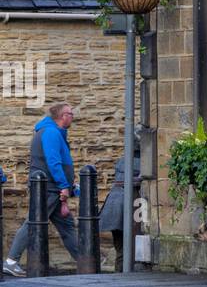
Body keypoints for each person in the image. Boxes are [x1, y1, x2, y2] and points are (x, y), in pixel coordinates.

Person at [4, 102, 80, 277]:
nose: (72, 116)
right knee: (33, 222)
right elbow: (53, 162)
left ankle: (85, 261)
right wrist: (63, 186)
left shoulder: (54, 132)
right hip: (49, 189)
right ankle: (10, 262)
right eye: (70, 113)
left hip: (52, 188)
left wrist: (68, 184)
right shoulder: (51, 133)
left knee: (67, 226)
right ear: (62, 116)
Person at [98, 136, 142, 268]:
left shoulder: (121, 162)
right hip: (126, 209)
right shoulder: (141, 164)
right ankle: (122, 277)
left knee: (120, 250)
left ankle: (119, 275)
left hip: (113, 208)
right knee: (127, 250)